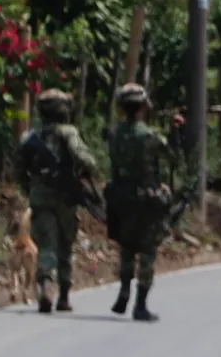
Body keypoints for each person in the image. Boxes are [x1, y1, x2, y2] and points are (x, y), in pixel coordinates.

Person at [17, 89, 99, 314]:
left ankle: (45, 284)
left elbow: (20, 170)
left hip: (40, 196)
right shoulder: (68, 132)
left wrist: (31, 189)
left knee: (46, 243)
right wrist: (87, 169)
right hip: (65, 197)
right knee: (65, 244)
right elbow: (85, 159)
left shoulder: (29, 137)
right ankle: (63, 295)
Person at [105, 84, 172, 323]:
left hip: (120, 197)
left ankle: (124, 289)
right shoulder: (149, 136)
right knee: (147, 251)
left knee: (126, 247)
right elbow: (169, 154)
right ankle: (140, 306)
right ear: (143, 106)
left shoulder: (114, 134)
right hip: (146, 200)